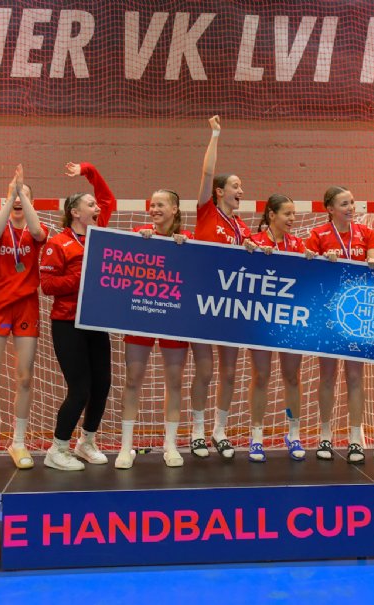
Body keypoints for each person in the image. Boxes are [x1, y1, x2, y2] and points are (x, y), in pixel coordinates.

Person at [38, 161, 117, 471]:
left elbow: (108, 199)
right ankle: (58, 449)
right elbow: (48, 285)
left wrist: (88, 169)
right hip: (67, 322)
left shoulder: (99, 233)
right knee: (80, 388)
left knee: (102, 384)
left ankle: (87, 442)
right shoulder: (57, 243)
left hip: (96, 320)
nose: (97, 207)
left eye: (96, 205)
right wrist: (82, 276)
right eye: (90, 204)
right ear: (75, 212)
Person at [192, 116, 257, 459]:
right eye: (235, 185)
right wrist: (215, 135)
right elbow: (206, 173)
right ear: (219, 192)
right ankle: (197, 432)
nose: (241, 190)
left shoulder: (243, 227)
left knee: (229, 371)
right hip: (203, 303)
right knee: (204, 371)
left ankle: (220, 430)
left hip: (231, 307)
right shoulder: (206, 211)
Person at [306, 186, 374, 464]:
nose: (350, 208)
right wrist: (319, 262)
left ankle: (355, 438)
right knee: (327, 376)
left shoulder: (366, 233)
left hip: (356, 316)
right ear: (330, 209)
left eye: (352, 202)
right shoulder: (318, 235)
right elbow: (307, 270)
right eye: (344, 204)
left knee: (355, 377)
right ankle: (325, 435)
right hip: (327, 315)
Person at [0, 165, 47, 473]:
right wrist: (11, 195)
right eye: (13, 195)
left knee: (25, 377)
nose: (18, 199)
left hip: (26, 307)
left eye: (23, 196)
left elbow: (38, 232)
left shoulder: (35, 229)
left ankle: (18, 441)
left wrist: (23, 192)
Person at [117, 189, 191, 469]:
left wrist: (185, 249)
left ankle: (170, 445)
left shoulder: (187, 240)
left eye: (160, 205)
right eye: (152, 205)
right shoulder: (139, 235)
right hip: (142, 316)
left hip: (173, 319)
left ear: (174, 209)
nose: (154, 209)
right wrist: (138, 244)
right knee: (133, 379)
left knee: (174, 382)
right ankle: (126, 447)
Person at [247, 194, 315, 462]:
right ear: (272, 215)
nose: (292, 219)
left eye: (294, 214)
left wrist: (312, 260)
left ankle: (293, 433)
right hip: (261, 320)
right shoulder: (253, 241)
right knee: (261, 376)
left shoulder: (298, 245)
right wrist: (250, 254)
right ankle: (256, 437)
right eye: (287, 214)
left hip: (290, 321)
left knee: (292, 377)